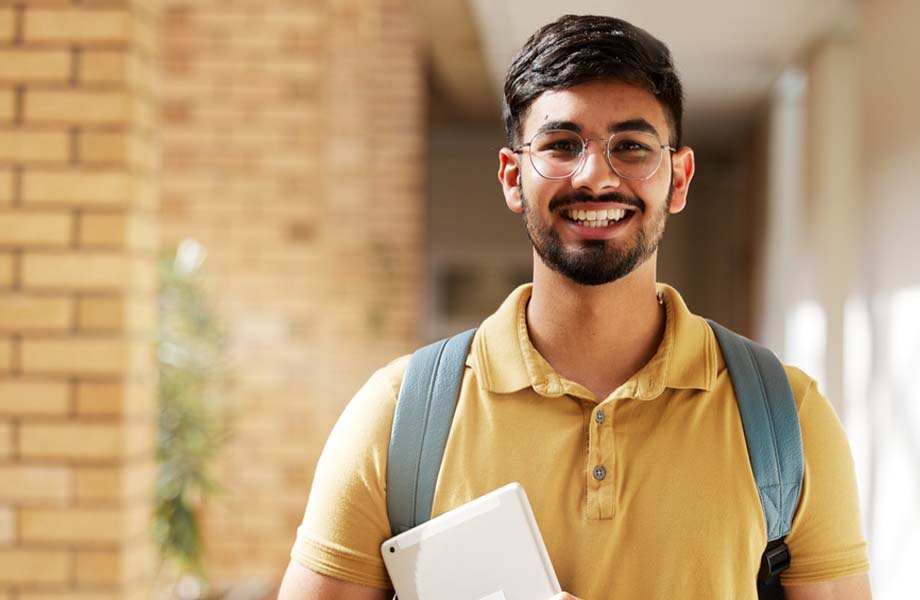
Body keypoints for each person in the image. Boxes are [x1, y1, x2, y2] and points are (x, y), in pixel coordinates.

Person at [277, 14, 871, 600]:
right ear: (512, 177)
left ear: (680, 178)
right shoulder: (396, 417)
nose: (594, 177)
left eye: (632, 147)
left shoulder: (787, 419)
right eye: (562, 145)